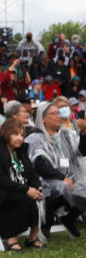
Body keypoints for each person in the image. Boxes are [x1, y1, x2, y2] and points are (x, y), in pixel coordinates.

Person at [0, 117, 44, 251]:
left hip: (15, 188)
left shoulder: (20, 150)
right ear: (6, 133)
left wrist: (37, 186)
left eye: (22, 135)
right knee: (21, 197)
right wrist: (26, 189)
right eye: (16, 134)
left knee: (40, 196)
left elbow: (31, 172)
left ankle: (32, 237)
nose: (20, 138)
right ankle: (11, 240)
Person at [27, 100, 86, 237]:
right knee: (65, 186)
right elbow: (39, 165)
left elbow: (81, 152)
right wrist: (63, 178)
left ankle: (69, 217)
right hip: (44, 182)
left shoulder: (65, 134)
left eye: (59, 113)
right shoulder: (35, 138)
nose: (58, 116)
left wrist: (83, 133)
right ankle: (49, 216)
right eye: (53, 113)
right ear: (43, 118)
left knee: (81, 185)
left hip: (68, 176)